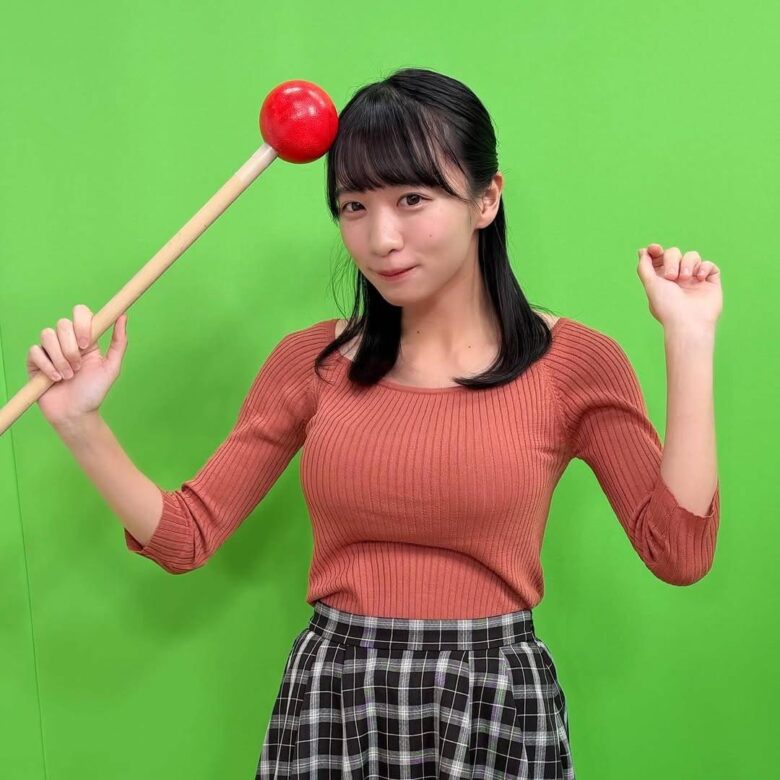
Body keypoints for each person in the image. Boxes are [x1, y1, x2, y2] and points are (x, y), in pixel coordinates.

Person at [30, 67, 722, 779]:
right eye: (353, 206)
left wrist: (690, 340)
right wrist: (81, 424)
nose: (381, 237)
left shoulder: (573, 363)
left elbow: (678, 553)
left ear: (486, 199)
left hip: (492, 702)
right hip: (335, 700)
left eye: (412, 199)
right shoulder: (311, 363)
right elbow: (187, 536)